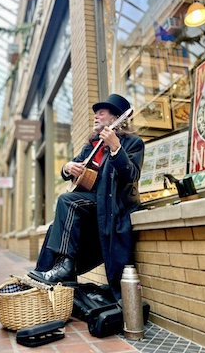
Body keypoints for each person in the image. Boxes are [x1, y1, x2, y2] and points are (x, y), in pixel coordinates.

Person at [28, 94, 145, 301]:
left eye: (102, 112)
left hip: (113, 206)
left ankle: (65, 266)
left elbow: (132, 175)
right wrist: (67, 167)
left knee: (66, 201)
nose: (96, 116)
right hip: (91, 204)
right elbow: (71, 170)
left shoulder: (132, 143)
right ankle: (45, 278)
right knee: (57, 225)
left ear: (116, 118)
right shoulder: (91, 145)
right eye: (95, 113)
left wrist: (116, 148)